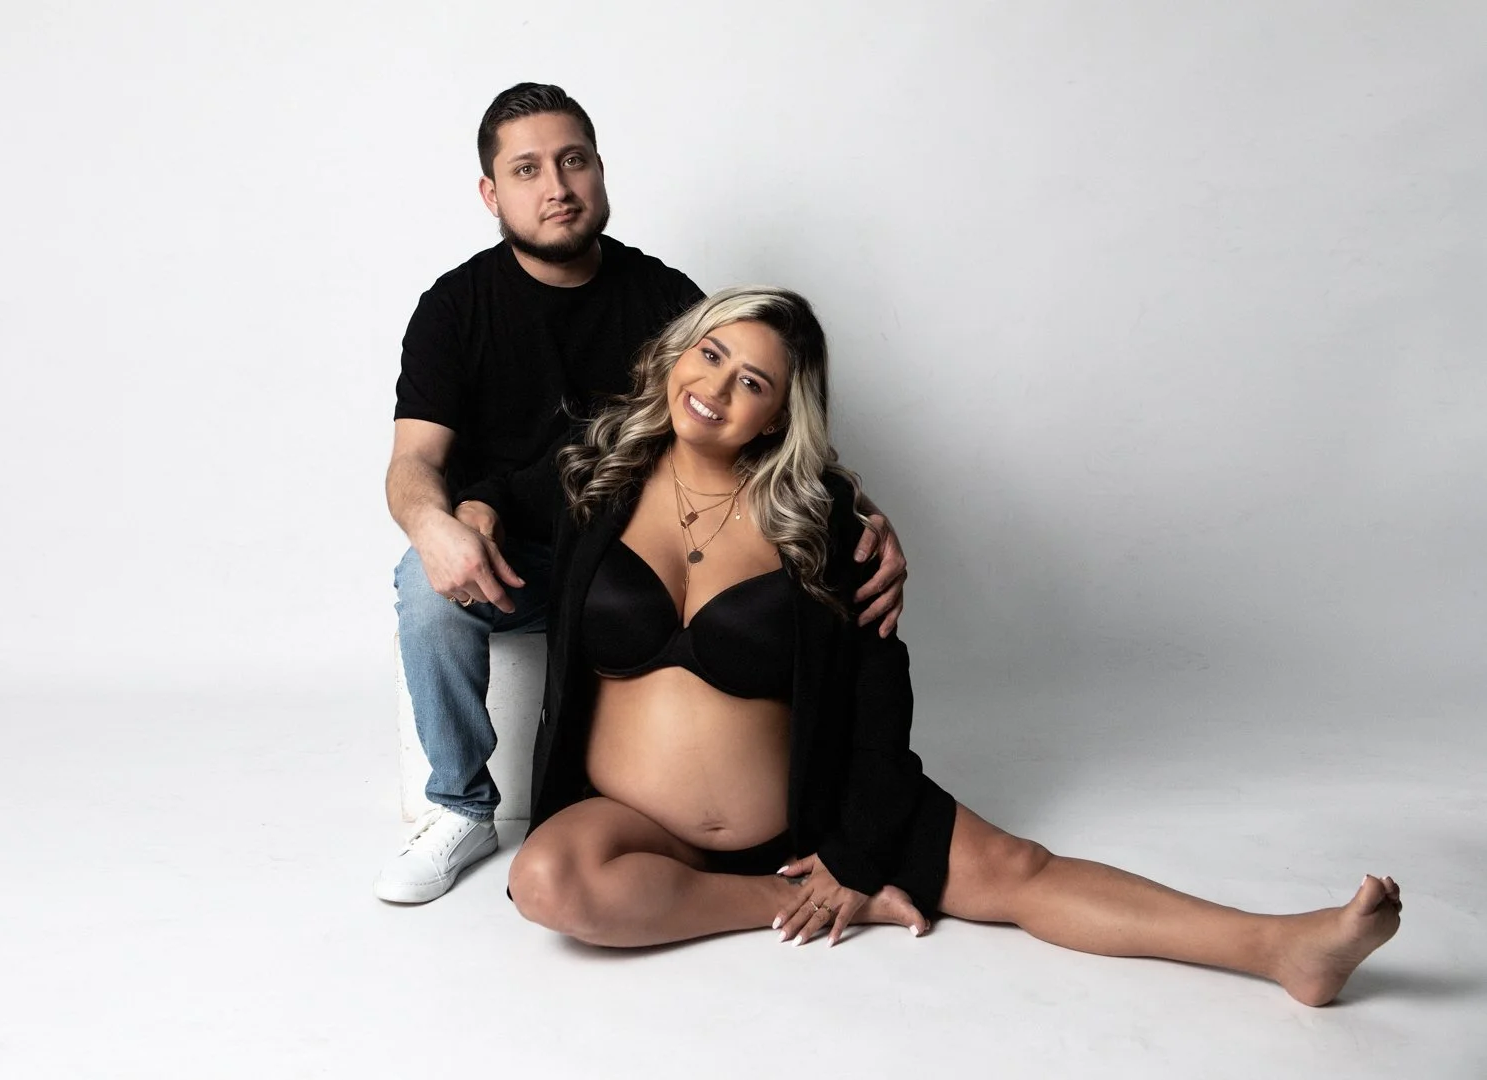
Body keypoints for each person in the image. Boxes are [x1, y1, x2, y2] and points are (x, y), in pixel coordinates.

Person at [499, 285, 1402, 1006]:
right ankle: (783, 904)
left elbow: (879, 699)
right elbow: (486, 490)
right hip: (633, 821)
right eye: (713, 354)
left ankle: (1286, 948)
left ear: (778, 417)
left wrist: (854, 856)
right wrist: (457, 513)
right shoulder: (593, 475)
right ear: (677, 354)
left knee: (1019, 872)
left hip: (810, 814)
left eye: (754, 382)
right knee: (546, 883)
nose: (720, 387)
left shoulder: (823, 520)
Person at [378, 86, 908, 904]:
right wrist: (441, 522)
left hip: (636, 561)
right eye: (527, 170)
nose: (556, 186)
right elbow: (413, 463)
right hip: (512, 555)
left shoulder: (663, 296)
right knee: (424, 586)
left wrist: (860, 517)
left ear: (598, 170)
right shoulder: (456, 308)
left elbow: (756, 418)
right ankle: (461, 806)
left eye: (573, 161)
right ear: (492, 194)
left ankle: (757, 808)